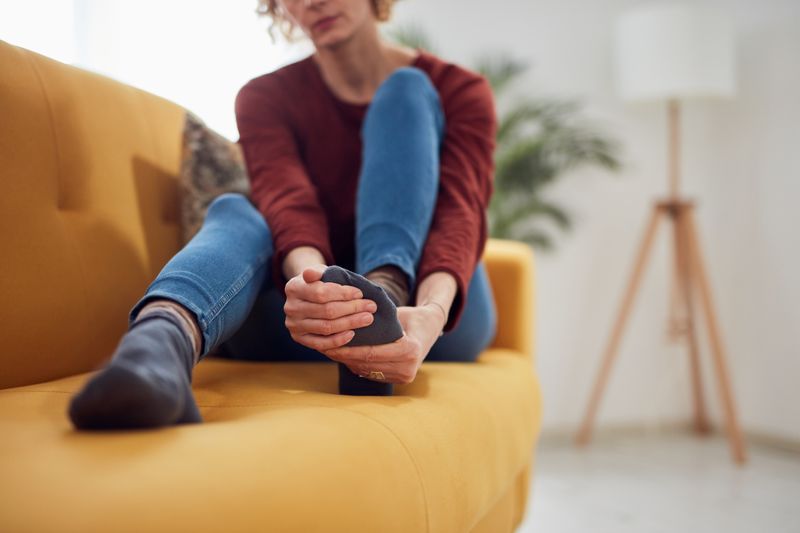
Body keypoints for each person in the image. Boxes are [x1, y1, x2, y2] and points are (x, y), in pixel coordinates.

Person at [67, 0, 498, 430]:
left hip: (435, 316)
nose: (313, 2)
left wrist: (431, 314)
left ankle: (387, 295)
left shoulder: (459, 90)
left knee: (406, 88)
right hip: (311, 323)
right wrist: (320, 293)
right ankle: (157, 346)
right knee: (237, 210)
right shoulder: (264, 98)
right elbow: (288, 203)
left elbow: (459, 213)